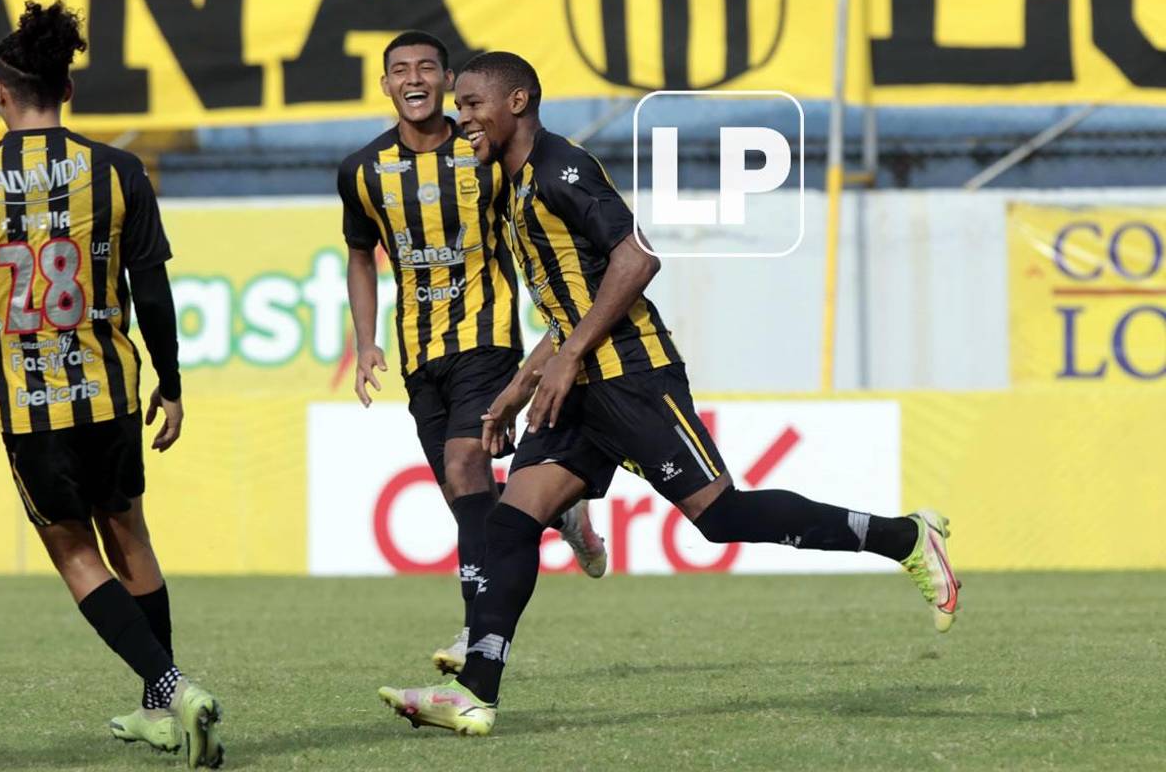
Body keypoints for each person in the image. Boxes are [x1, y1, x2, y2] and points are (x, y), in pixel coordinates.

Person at [378, 51, 962, 736]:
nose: (461, 116)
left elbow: (637, 258)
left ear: (517, 102)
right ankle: (476, 692)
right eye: (460, 104)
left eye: (473, 103)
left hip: (631, 375)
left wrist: (566, 360)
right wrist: (519, 385)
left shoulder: (563, 169)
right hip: (581, 384)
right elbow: (572, 303)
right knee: (511, 521)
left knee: (720, 516)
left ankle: (904, 538)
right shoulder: (507, 187)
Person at [0, 0, 223, 768]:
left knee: (72, 551)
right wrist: (170, 382)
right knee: (128, 532)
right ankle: (160, 709)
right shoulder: (120, 171)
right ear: (67, 93)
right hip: (108, 389)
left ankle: (169, 688)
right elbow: (154, 291)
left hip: (27, 407)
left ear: (0, 95)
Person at [337, 32, 607, 675]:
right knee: (466, 496)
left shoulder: (482, 149)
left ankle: (475, 632)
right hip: (417, 352)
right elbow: (358, 254)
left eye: (427, 66)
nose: (414, 78)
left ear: (447, 78)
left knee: (465, 467)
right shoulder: (361, 170)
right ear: (385, 85)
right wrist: (365, 338)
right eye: (400, 69)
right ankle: (559, 509)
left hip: (486, 340)